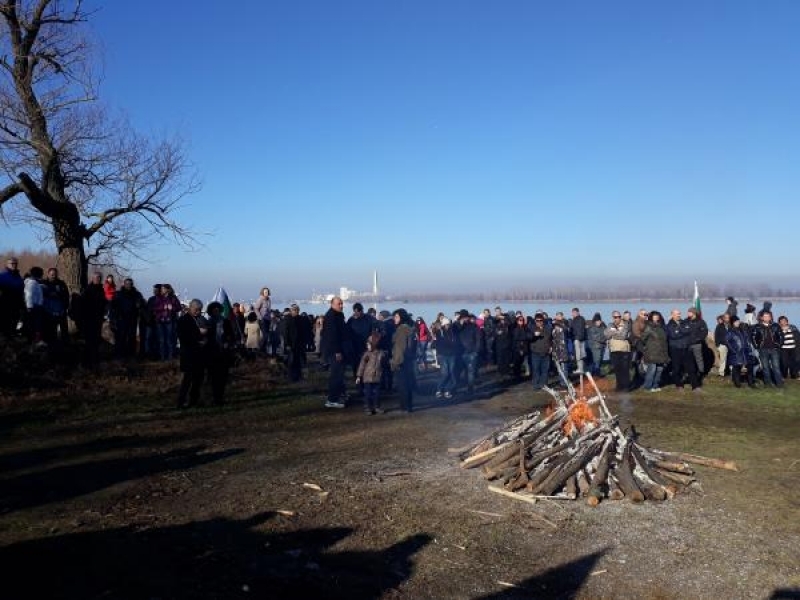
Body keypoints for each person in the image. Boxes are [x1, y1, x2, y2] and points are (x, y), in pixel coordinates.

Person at [177, 299, 208, 408]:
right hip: (188, 354)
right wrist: (197, 340)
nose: (198, 312)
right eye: (196, 310)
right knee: (187, 379)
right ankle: (181, 401)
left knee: (198, 379)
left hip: (198, 354)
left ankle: (193, 400)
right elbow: (184, 337)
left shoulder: (198, 319)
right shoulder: (183, 320)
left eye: (199, 310)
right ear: (190, 308)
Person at [320, 296, 350, 408]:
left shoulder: (339, 315)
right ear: (332, 304)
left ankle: (341, 394)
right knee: (336, 375)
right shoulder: (331, 316)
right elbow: (332, 336)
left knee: (340, 374)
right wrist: (337, 351)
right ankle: (332, 399)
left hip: (340, 348)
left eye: (342, 303)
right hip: (334, 351)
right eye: (339, 304)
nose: (341, 306)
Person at [206, 301, 235, 404]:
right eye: (214, 310)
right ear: (211, 312)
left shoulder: (226, 322)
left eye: (218, 310)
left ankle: (220, 397)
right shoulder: (208, 323)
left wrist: (228, 342)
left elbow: (232, 336)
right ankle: (215, 397)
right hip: (213, 353)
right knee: (214, 377)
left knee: (223, 376)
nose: (216, 312)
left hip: (224, 353)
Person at [110, 278, 144, 359]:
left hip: (132, 319)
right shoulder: (118, 294)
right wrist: (113, 319)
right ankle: (119, 356)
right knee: (121, 338)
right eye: (127, 283)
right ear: (124, 284)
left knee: (131, 338)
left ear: (132, 285)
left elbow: (141, 305)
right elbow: (112, 307)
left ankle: (131, 356)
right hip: (121, 319)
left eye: (130, 284)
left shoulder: (137, 294)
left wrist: (139, 305)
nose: (128, 285)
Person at [666, 309, 699, 392]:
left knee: (691, 368)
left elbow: (689, 331)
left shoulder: (684, 322)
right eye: (677, 314)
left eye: (679, 314)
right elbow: (673, 335)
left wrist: (679, 331)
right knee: (676, 368)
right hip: (675, 349)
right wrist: (683, 331)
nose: (679, 315)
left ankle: (695, 386)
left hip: (686, 348)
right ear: (672, 315)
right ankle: (679, 385)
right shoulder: (669, 325)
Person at [391, 308, 416, 412]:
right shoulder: (409, 328)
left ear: (402, 317)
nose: (394, 319)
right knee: (408, 384)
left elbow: (401, 348)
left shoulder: (402, 329)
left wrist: (395, 362)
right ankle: (408, 406)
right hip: (408, 361)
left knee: (402, 385)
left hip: (401, 361)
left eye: (396, 317)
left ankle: (405, 407)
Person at [80, 272, 107, 367]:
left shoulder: (101, 290)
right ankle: (87, 362)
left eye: (99, 278)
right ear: (92, 278)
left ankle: (95, 360)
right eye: (96, 278)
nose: (97, 279)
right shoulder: (87, 290)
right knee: (89, 341)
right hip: (89, 319)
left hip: (98, 319)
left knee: (96, 340)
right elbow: (82, 305)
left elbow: (103, 303)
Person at [750, 310, 784, 388]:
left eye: (768, 316)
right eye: (765, 316)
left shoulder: (775, 326)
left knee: (776, 367)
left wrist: (778, 345)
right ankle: (768, 384)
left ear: (771, 317)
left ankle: (779, 384)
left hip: (774, 349)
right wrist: (757, 347)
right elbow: (753, 337)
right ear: (761, 317)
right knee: (765, 367)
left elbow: (781, 336)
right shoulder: (757, 326)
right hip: (763, 350)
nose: (767, 318)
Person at [356, 332, 386, 415]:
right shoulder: (366, 354)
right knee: (368, 394)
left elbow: (384, 365)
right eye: (367, 345)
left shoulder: (381, 354)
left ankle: (377, 407)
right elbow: (362, 365)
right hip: (367, 378)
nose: (367, 346)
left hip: (377, 377)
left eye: (369, 345)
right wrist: (359, 376)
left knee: (377, 394)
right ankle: (368, 408)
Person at [640, 311, 669, 392]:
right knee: (652, 370)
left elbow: (664, 340)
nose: (656, 317)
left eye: (657, 316)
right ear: (651, 317)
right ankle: (647, 387)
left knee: (659, 370)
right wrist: (648, 346)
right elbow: (642, 338)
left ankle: (655, 386)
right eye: (654, 316)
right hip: (652, 353)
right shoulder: (648, 327)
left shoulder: (661, 327)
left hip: (661, 352)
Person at [41, 267, 70, 344]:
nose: (53, 276)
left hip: (61, 311)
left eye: (55, 274)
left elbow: (66, 296)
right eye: (52, 274)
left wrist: (65, 307)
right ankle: (51, 344)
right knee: (51, 330)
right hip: (49, 312)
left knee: (64, 329)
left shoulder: (61, 283)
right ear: (48, 274)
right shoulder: (44, 283)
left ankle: (65, 344)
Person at [433, 317, 461, 399]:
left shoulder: (453, 332)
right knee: (445, 373)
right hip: (443, 355)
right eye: (446, 324)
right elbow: (439, 343)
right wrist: (439, 354)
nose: (448, 326)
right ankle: (439, 389)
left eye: (449, 324)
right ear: (443, 325)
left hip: (452, 355)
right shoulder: (439, 332)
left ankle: (447, 390)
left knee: (451, 373)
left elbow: (455, 342)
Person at [726, 316, 757, 388]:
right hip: (736, 353)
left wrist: (749, 348)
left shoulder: (742, 330)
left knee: (750, 366)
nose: (738, 322)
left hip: (745, 352)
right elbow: (727, 342)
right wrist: (733, 350)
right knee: (737, 367)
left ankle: (751, 383)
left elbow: (747, 340)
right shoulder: (730, 332)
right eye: (736, 321)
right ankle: (737, 384)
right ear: (732, 323)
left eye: (738, 321)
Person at [605, 311, 631, 392]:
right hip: (613, 350)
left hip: (624, 350)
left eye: (618, 317)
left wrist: (613, 333)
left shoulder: (625, 325)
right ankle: (619, 386)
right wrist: (616, 332)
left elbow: (623, 336)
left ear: (620, 317)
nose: (616, 318)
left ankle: (626, 387)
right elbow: (606, 335)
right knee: (617, 369)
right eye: (615, 317)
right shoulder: (610, 325)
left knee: (625, 369)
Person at [455, 309, 481, 394]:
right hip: (460, 353)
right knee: (458, 371)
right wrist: (460, 324)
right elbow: (452, 334)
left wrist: (476, 351)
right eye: (463, 318)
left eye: (466, 317)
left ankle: (470, 388)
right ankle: (455, 387)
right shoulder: (456, 326)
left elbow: (478, 339)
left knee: (471, 371)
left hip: (471, 353)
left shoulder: (474, 326)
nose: (465, 319)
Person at [0, 256, 24, 337]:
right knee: (5, 327)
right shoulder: (2, 276)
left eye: (16, 263)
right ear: (7, 264)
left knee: (14, 325)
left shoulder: (19, 277)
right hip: (5, 306)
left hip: (17, 306)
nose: (14, 265)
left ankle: (12, 344)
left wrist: (22, 305)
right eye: (12, 263)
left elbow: (22, 292)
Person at [283, 304, 307, 382]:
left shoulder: (301, 319)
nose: (295, 311)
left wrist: (303, 342)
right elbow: (286, 333)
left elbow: (303, 332)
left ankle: (298, 376)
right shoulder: (288, 319)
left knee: (297, 361)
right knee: (291, 361)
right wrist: (287, 344)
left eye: (296, 310)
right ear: (291, 311)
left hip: (299, 343)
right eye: (294, 310)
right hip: (291, 344)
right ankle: (292, 377)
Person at [529, 313, 551, 390]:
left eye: (540, 320)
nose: (539, 322)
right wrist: (534, 335)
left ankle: (544, 385)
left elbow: (550, 339)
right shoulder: (531, 328)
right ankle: (536, 385)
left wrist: (551, 347)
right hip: (536, 353)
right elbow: (528, 337)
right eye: (537, 320)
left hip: (546, 353)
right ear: (535, 321)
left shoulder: (547, 328)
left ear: (543, 321)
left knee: (545, 370)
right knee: (536, 370)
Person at [686, 307, 708, 381]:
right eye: (688, 312)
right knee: (688, 360)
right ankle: (689, 374)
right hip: (687, 344)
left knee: (699, 359)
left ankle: (701, 374)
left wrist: (698, 339)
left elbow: (704, 332)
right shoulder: (685, 321)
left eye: (689, 312)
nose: (688, 313)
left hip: (697, 344)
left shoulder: (701, 322)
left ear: (694, 313)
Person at [23, 266, 44, 344]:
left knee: (35, 325)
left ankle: (34, 340)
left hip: (36, 306)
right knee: (34, 325)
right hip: (33, 307)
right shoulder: (32, 282)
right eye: (41, 273)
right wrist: (29, 307)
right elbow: (29, 294)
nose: (42, 275)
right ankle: (32, 340)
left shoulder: (34, 282)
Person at [777, 316, 800, 380]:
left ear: (787, 321)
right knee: (784, 363)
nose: (783, 322)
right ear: (779, 323)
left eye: (784, 321)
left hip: (793, 348)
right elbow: (778, 339)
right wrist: (783, 332)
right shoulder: (778, 329)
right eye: (781, 321)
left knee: (794, 362)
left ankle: (794, 375)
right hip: (784, 349)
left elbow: (798, 336)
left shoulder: (793, 327)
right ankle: (784, 375)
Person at [254, 287, 272, 354]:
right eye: (265, 292)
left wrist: (271, 316)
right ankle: (260, 349)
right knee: (265, 336)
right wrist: (260, 317)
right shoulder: (260, 299)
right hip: (262, 319)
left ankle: (263, 350)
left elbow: (268, 310)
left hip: (268, 319)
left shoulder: (269, 299)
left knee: (267, 337)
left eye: (267, 292)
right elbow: (256, 308)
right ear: (262, 292)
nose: (266, 293)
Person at [570, 307, 587, 374]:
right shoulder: (576, 319)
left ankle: (580, 368)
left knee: (579, 355)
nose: (573, 314)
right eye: (572, 313)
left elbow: (579, 330)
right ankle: (581, 368)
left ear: (577, 312)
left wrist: (577, 339)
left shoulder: (579, 319)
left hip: (578, 339)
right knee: (581, 354)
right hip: (580, 339)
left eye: (574, 313)